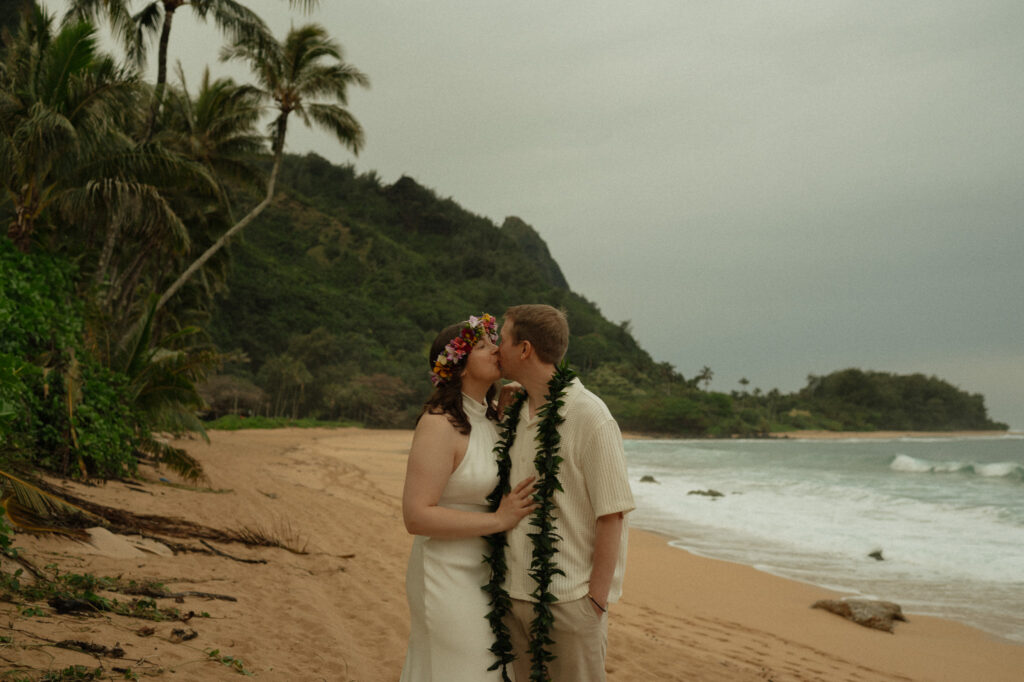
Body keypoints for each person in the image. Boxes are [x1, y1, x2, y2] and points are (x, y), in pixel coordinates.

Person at [496, 304, 635, 682]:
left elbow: (613, 513)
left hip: (569, 602)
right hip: (512, 595)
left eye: (502, 340)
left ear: (524, 349)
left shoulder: (591, 416)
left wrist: (594, 602)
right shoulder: (516, 409)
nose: (496, 349)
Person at [400, 314, 537, 682]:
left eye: (494, 340)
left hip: (486, 568)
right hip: (445, 569)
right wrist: (498, 520)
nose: (496, 347)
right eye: (482, 345)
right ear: (459, 367)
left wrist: (506, 415)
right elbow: (415, 516)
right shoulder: (438, 422)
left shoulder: (489, 418)